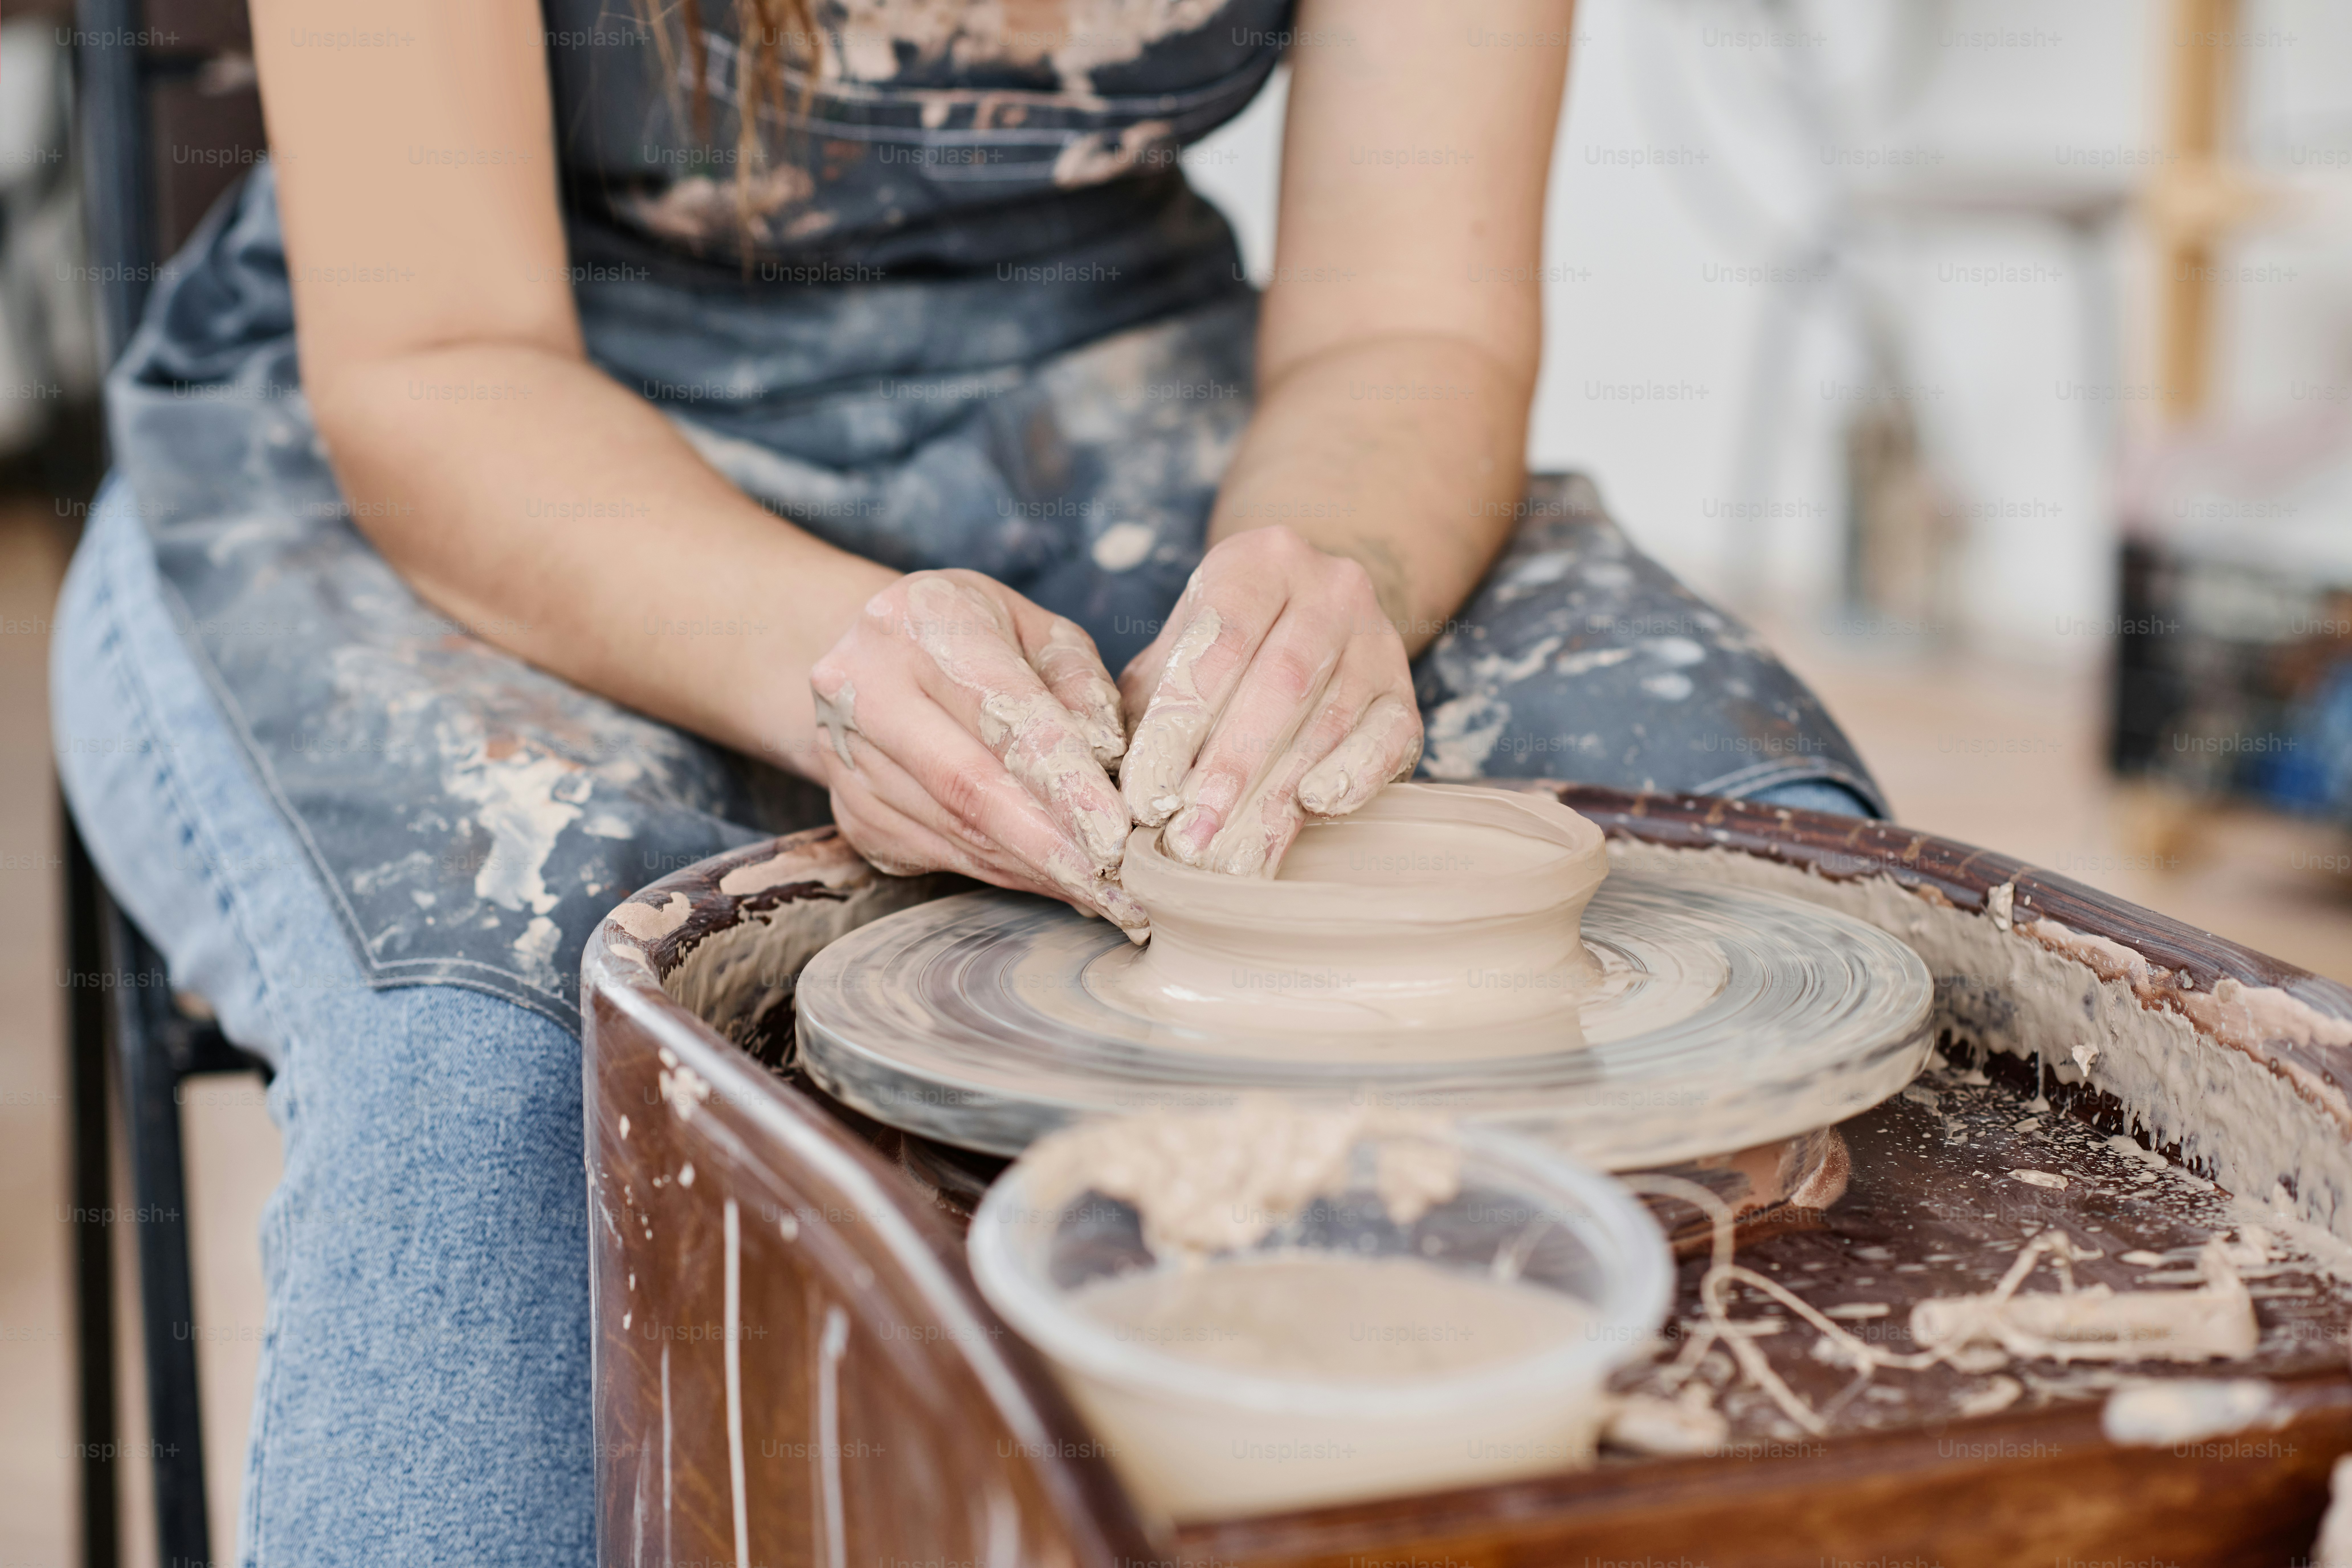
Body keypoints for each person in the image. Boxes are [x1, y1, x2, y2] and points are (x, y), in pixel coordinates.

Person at [51, 0, 1884, 1559]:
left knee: (1779, 920)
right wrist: (822, 662)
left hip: (1112, 373)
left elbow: (1411, 321)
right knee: (522, 1065)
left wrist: (1334, 578)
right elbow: (436, 363)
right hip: (476, 410)